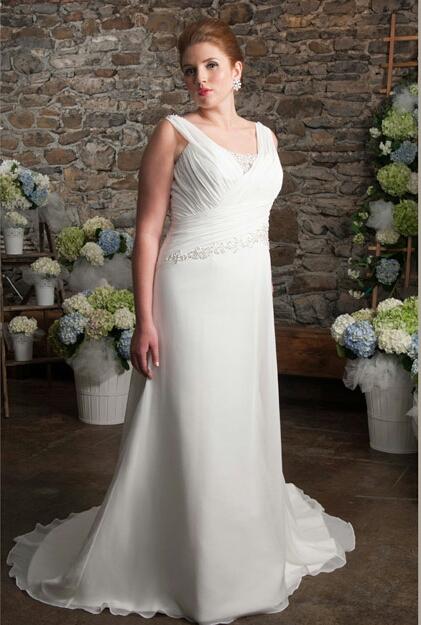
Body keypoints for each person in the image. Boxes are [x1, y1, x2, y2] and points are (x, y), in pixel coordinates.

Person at [7, 17, 355, 625]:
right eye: (190, 70)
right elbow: (147, 232)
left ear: (237, 70)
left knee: (239, 413)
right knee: (194, 416)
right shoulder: (172, 133)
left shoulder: (266, 137)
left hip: (246, 296)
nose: (200, 79)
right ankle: (188, 560)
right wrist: (146, 319)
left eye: (211, 66)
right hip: (188, 294)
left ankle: (241, 540)